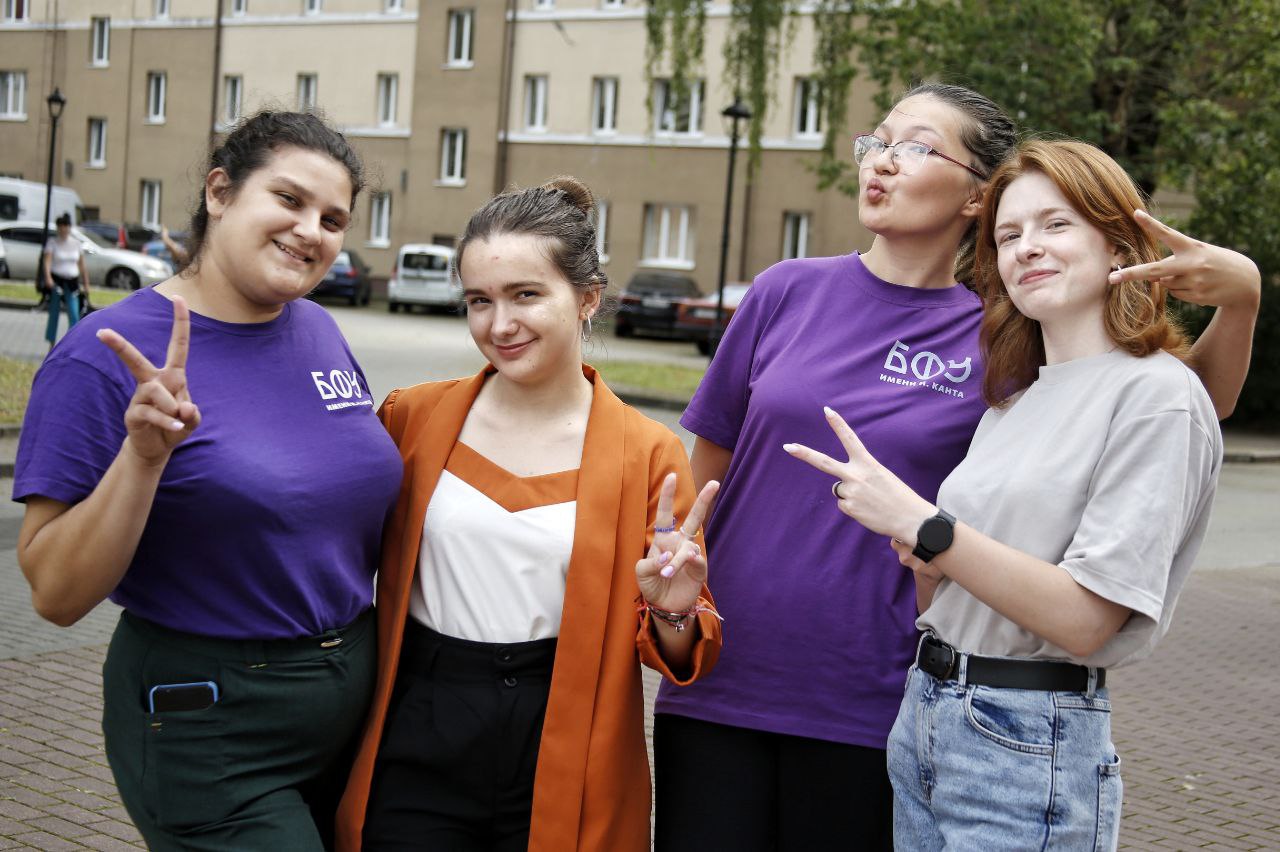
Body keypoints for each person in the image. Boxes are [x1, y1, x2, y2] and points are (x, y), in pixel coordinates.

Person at [653, 83, 1260, 850]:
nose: (882, 162)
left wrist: (1241, 298)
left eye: (915, 146)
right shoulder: (784, 292)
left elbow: (1173, 396)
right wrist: (676, 613)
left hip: (875, 699)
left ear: (976, 196)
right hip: (726, 682)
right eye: (876, 142)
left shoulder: (1006, 333)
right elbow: (703, 492)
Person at [785, 138, 1224, 849]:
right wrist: (927, 560)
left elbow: (1086, 622)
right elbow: (946, 597)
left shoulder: (1157, 395)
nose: (1028, 248)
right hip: (927, 714)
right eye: (1009, 235)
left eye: (1056, 224)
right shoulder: (1011, 404)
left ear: (1118, 247)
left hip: (1026, 736)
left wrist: (927, 528)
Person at [13, 111, 404, 851]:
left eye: (332, 219)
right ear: (220, 192)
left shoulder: (317, 329)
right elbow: (54, 594)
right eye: (288, 199)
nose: (311, 231)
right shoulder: (103, 356)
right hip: (211, 722)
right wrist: (143, 458)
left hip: (353, 707)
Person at [334, 176, 723, 852]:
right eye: (479, 301)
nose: (499, 325)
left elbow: (682, 651)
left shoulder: (646, 453)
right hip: (420, 720)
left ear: (588, 298)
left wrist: (673, 611)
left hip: (565, 733)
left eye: (525, 295)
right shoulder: (412, 418)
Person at [42, 212, 90, 349]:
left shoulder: (76, 243)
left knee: (74, 313)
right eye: (61, 227)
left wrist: (86, 283)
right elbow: (47, 262)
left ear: (69, 227)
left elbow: (82, 265)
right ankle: (51, 344)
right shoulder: (53, 242)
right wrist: (48, 278)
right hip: (57, 281)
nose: (63, 229)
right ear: (58, 228)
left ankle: (71, 344)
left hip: (72, 282)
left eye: (66, 226)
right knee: (54, 313)